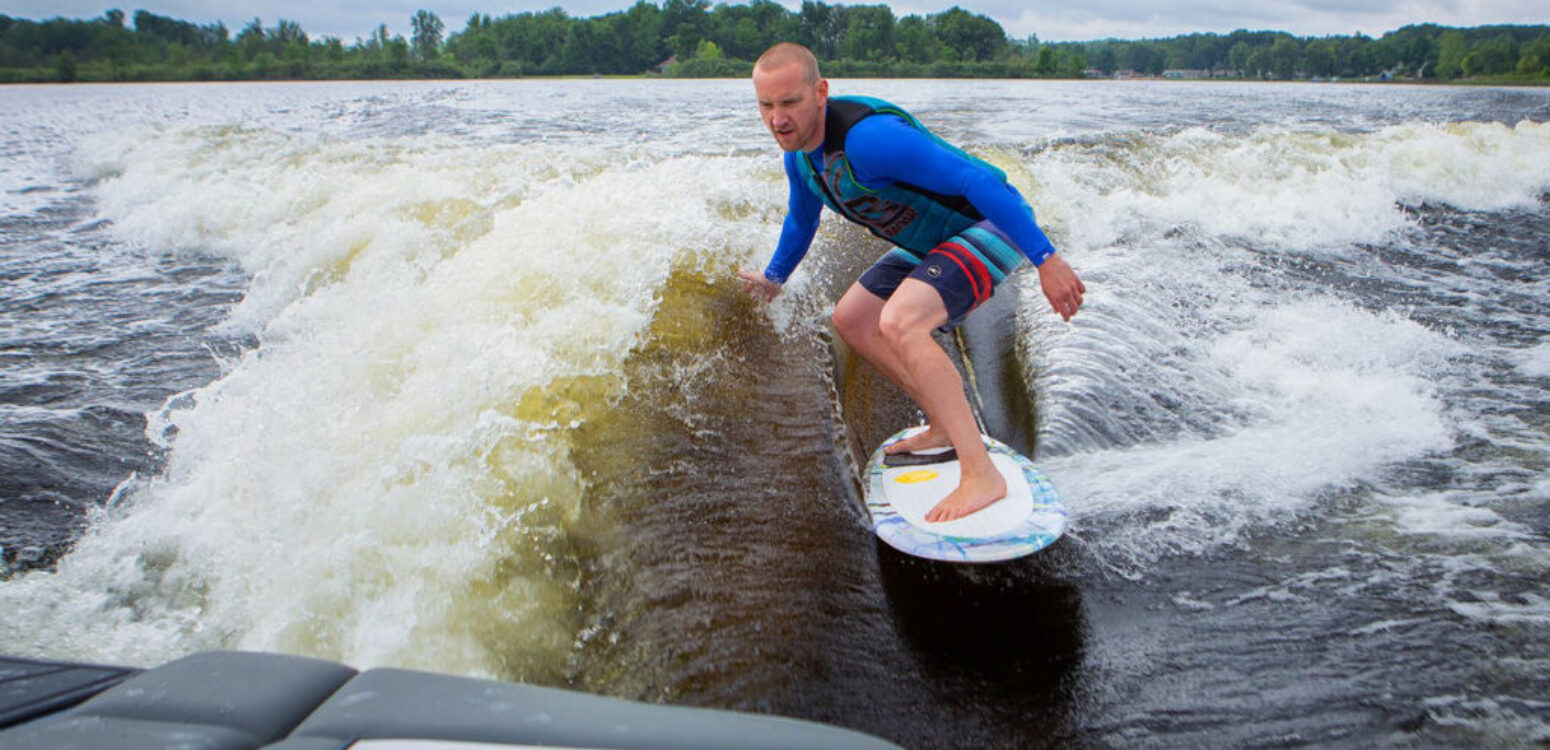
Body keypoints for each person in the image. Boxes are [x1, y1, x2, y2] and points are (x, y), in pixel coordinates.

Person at [739, 42, 1085, 523]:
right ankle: (944, 425)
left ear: (820, 92)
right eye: (766, 106)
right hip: (939, 244)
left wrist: (1045, 257)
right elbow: (801, 221)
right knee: (853, 319)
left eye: (789, 102)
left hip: (991, 226)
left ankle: (981, 472)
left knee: (901, 320)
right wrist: (774, 278)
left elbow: (979, 179)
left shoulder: (870, 139)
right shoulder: (800, 159)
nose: (777, 119)